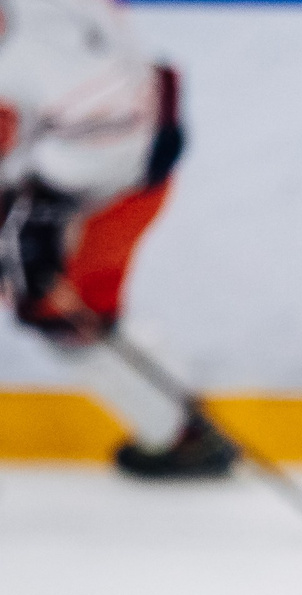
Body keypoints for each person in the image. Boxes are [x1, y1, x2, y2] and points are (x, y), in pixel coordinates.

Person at [0, 0, 237, 477]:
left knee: (63, 310)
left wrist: (40, 213)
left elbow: (113, 121)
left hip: (105, 187)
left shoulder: (47, 34)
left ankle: (179, 431)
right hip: (62, 169)